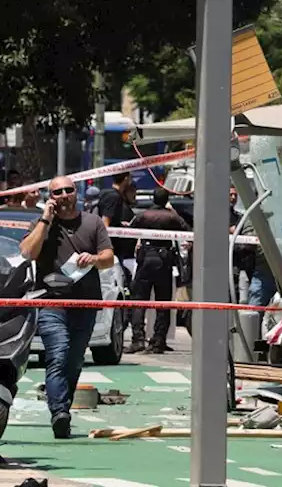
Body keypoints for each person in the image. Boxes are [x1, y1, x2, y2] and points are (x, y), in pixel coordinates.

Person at [19, 176, 114, 438]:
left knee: (73, 362)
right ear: (50, 197)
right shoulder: (43, 224)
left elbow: (109, 258)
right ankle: (59, 412)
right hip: (52, 303)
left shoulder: (92, 223)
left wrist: (93, 258)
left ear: (76, 193)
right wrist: (45, 219)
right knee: (58, 355)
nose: (63, 195)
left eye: (67, 190)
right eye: (56, 192)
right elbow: (27, 252)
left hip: (85, 304)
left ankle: (63, 408)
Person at [127, 187, 188, 354]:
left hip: (145, 258)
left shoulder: (143, 215)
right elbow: (187, 231)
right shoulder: (172, 217)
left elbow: (129, 230)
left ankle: (137, 339)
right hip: (164, 260)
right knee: (163, 302)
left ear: (153, 199)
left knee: (139, 301)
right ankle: (158, 340)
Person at [94, 171, 135, 288]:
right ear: (126, 179)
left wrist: (120, 225)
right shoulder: (114, 196)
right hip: (112, 249)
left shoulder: (108, 194)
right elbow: (105, 222)